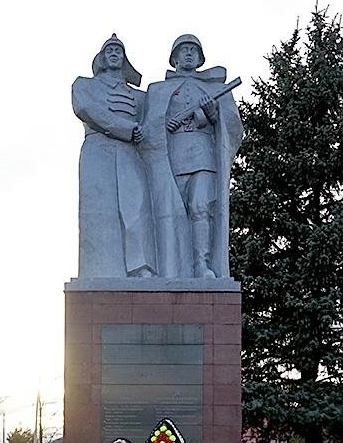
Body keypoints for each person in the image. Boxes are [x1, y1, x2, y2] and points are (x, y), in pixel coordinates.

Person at [140, 35, 242, 278]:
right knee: (173, 211)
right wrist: (165, 124)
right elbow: (147, 129)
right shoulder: (157, 90)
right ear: (174, 57)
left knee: (200, 208)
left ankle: (202, 265)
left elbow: (232, 126)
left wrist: (211, 114)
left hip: (203, 155)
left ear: (199, 57)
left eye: (193, 50)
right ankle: (173, 266)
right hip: (172, 157)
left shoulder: (216, 89)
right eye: (183, 50)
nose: (188, 54)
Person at [72, 35, 156, 278]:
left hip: (130, 152)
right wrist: (126, 128)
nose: (114, 53)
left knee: (135, 206)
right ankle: (98, 270)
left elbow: (151, 126)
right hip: (98, 149)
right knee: (98, 210)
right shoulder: (84, 85)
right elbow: (87, 110)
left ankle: (141, 266)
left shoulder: (140, 97)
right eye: (109, 50)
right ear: (101, 57)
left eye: (119, 50)